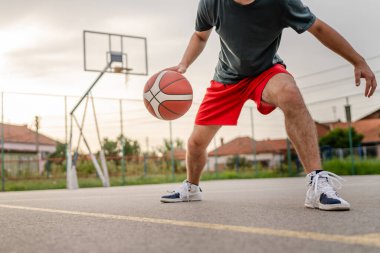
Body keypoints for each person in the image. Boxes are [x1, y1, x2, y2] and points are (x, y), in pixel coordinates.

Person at [160, 0, 377, 210]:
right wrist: (183, 64)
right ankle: (192, 187)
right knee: (196, 144)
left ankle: (317, 181)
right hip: (226, 79)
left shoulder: (280, 2)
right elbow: (200, 35)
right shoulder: (212, 2)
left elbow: (318, 27)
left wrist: (358, 61)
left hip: (265, 71)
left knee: (289, 94)